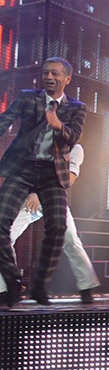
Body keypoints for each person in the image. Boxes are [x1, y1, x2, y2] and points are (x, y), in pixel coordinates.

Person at [0, 57, 86, 306]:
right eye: (46, 73)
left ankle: (40, 285)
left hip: (52, 175)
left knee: (60, 230)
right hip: (22, 170)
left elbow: (73, 137)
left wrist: (58, 125)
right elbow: (4, 121)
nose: (49, 77)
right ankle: (12, 282)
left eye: (55, 74)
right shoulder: (28, 97)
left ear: (67, 79)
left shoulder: (76, 107)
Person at [0, 143, 99, 303]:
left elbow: (69, 178)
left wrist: (39, 193)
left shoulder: (75, 148)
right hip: (28, 201)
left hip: (54, 199)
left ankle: (86, 286)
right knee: (5, 237)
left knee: (71, 241)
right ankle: (5, 289)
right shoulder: (37, 142)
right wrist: (32, 192)